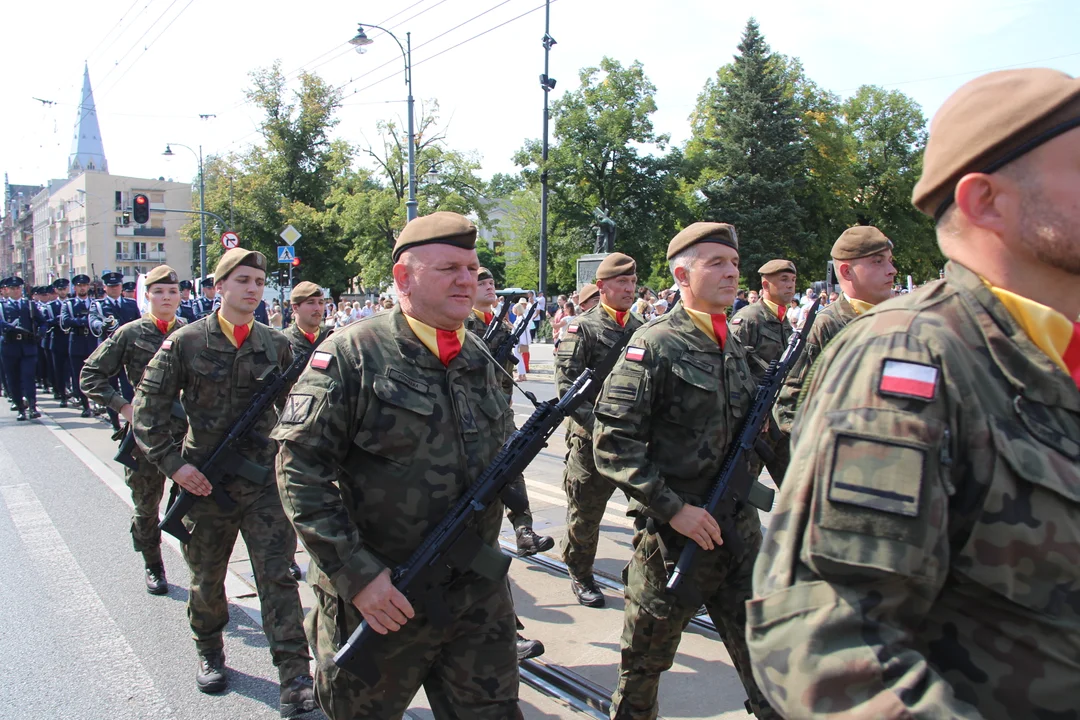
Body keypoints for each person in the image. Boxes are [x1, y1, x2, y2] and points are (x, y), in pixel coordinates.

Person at [747, 68, 1080, 720]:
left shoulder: (1052, 350)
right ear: (985, 200)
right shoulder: (910, 356)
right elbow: (826, 635)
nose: (890, 268)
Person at [273, 212, 521, 719]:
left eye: (472, 269)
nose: (467, 280)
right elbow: (300, 470)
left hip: (475, 597)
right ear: (404, 279)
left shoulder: (478, 354)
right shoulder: (352, 354)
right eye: (450, 268)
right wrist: (358, 575)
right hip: (384, 598)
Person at [592, 223, 777, 719]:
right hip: (675, 545)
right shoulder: (653, 346)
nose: (731, 273)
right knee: (642, 672)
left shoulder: (737, 348)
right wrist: (674, 510)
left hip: (739, 538)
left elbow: (769, 437)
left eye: (734, 264)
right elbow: (612, 444)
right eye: (716, 263)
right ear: (681, 274)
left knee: (772, 668)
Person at [131, 248, 314, 715]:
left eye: (258, 281)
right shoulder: (186, 343)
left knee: (277, 578)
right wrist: (176, 467)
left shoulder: (277, 345)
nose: (253, 289)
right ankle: (209, 651)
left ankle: (295, 675)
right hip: (205, 484)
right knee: (207, 579)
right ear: (219, 288)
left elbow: (298, 410)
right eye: (243, 281)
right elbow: (147, 414)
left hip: (263, 484)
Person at [80, 265, 187, 594]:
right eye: (159, 292)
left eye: (172, 292)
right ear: (148, 296)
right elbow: (90, 375)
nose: (166, 297)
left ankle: (200, 570)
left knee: (189, 503)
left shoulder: (192, 332)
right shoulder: (131, 333)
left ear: (180, 296)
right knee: (145, 505)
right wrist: (124, 407)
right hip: (145, 434)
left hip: (186, 433)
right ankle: (153, 564)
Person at [555, 252, 643, 608]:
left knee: (648, 512)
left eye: (633, 282)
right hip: (591, 442)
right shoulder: (583, 328)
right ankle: (580, 572)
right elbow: (567, 391)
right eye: (622, 282)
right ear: (602, 286)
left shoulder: (641, 328)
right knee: (586, 514)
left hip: (633, 443)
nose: (629, 288)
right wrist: (601, 430)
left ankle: (642, 574)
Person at [773, 226, 897, 436]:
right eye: (878, 261)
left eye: (890, 260)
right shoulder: (825, 325)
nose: (891, 269)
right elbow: (788, 406)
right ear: (846, 271)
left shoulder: (900, 317)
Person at [731, 259, 797, 486]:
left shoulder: (784, 321)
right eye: (784, 280)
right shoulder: (749, 318)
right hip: (757, 419)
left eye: (793, 280)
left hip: (780, 417)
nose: (790, 285)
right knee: (742, 491)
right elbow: (733, 367)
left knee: (796, 488)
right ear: (766, 285)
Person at [60, 274, 107, 417]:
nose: (82, 288)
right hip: (77, 342)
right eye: (79, 286)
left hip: (93, 342)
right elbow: (66, 321)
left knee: (97, 375)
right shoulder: (69, 304)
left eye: (84, 285)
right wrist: (84, 321)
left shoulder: (95, 303)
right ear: (75, 288)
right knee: (78, 376)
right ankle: (85, 405)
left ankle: (97, 402)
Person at [0, 277, 45, 420]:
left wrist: (40, 332)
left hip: (28, 346)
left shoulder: (29, 305)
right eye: (12, 288)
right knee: (13, 379)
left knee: (28, 376)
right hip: (10, 346)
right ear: (7, 290)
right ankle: (20, 407)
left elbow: (42, 321)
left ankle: (32, 406)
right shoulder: (2, 306)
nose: (15, 291)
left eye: (17, 288)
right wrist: (10, 327)